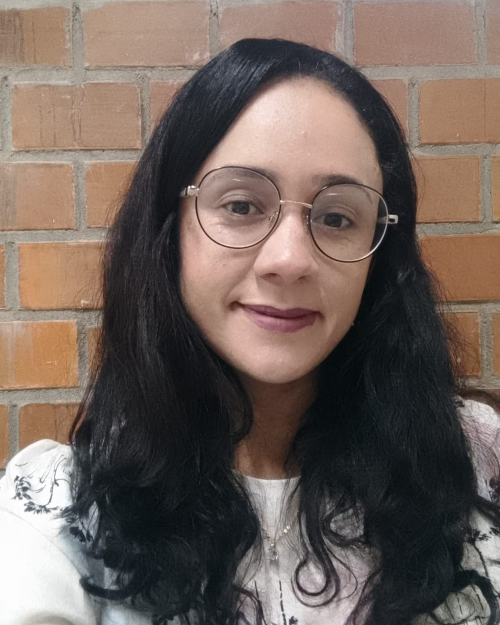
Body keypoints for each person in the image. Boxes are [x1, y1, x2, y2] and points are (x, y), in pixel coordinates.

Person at [0, 38, 499, 625]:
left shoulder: (474, 462)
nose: (289, 260)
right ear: (170, 229)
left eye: (337, 217)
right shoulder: (56, 515)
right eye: (241, 205)